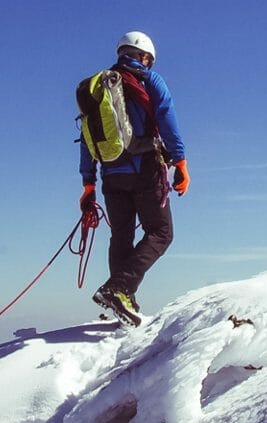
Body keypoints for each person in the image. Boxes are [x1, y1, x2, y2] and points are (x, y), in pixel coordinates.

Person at [80, 30, 188, 327]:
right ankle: (118, 289)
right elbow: (166, 115)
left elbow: (87, 138)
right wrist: (180, 160)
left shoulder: (98, 87)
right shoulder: (148, 79)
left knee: (121, 236)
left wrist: (88, 184)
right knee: (161, 232)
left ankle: (123, 298)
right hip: (144, 168)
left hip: (110, 174)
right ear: (143, 56)